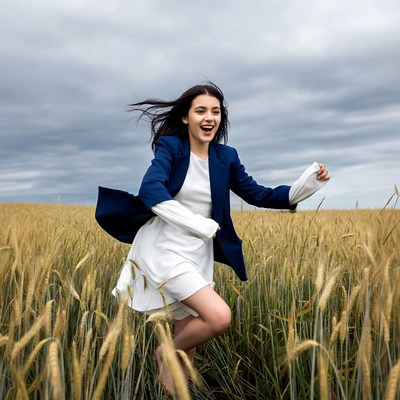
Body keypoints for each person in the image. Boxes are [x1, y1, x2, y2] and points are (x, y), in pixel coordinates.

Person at [95, 82, 330, 393]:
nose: (209, 117)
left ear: (221, 118)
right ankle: (163, 351)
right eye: (201, 110)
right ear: (185, 117)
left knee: (188, 344)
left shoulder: (226, 157)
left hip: (197, 254)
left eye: (215, 111)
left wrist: (307, 183)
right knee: (218, 317)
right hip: (164, 249)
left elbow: (258, 194)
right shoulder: (171, 147)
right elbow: (151, 190)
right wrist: (198, 224)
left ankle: (173, 390)